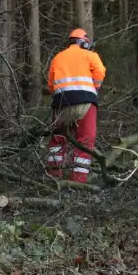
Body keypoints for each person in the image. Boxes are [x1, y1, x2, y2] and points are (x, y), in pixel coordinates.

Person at [45, 28, 107, 183]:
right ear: (84, 43)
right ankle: (78, 179)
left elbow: (51, 84)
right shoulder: (91, 55)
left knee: (57, 139)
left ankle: (54, 174)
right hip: (85, 102)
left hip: (60, 104)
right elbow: (100, 72)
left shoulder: (57, 58)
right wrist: (94, 88)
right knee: (85, 139)